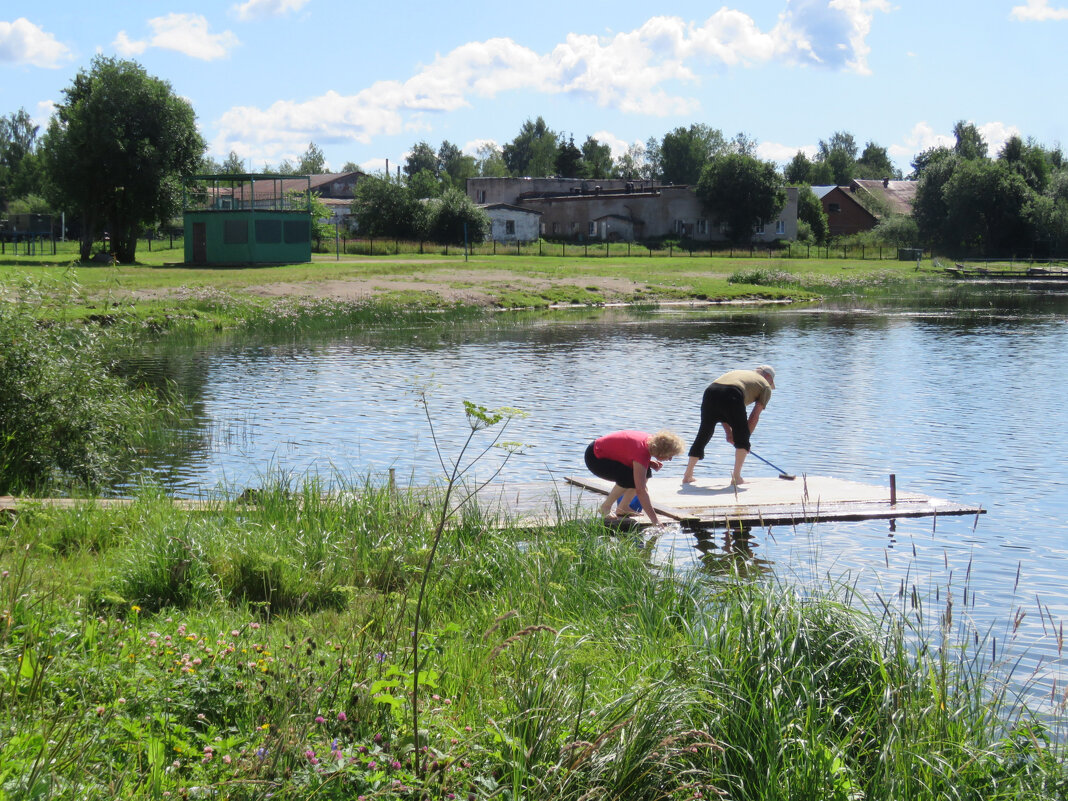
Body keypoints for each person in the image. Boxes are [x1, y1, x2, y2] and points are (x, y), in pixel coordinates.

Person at [681, 365, 775, 486]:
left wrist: (730, 433)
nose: (770, 385)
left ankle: (687, 475)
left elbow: (723, 411)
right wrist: (743, 440)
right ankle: (736, 478)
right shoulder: (765, 386)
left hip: (711, 392)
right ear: (768, 377)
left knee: (704, 433)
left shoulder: (739, 372)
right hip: (733, 394)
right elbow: (754, 416)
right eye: (771, 381)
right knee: (742, 437)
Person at [584, 430, 684, 525]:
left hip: (604, 453)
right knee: (630, 478)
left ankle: (623, 508)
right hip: (595, 457)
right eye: (670, 455)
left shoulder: (650, 442)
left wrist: (647, 463)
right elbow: (641, 490)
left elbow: (627, 451)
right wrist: (655, 521)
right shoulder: (642, 451)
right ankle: (605, 507)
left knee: (646, 472)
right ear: (661, 451)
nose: (670, 459)